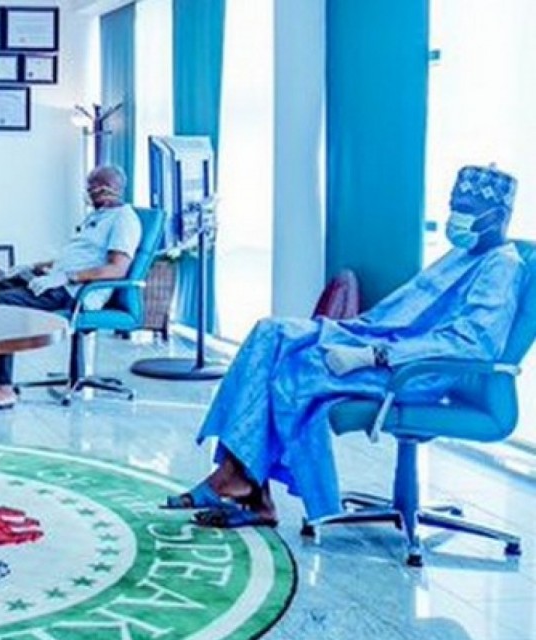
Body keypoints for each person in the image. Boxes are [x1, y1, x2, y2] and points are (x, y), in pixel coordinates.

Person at [167, 165, 525, 528]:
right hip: (379, 341)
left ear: (497, 216)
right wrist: (356, 336)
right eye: (453, 206)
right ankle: (242, 481)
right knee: (270, 333)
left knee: (292, 369)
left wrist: (372, 355)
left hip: (414, 371)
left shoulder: (502, 266)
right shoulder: (464, 254)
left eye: (465, 208)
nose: (455, 217)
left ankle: (242, 484)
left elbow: (470, 345)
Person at [0, 166, 141, 413]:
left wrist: (67, 277)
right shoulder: (96, 217)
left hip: (76, 292)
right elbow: (74, 258)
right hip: (56, 280)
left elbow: (116, 269)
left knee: (3, 303)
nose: (88, 193)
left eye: (93, 188)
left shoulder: (124, 220)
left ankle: (3, 390)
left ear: (109, 189)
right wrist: (34, 267)